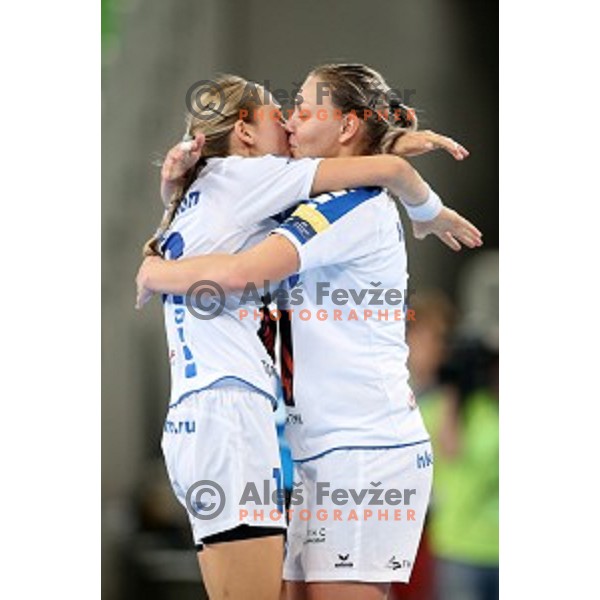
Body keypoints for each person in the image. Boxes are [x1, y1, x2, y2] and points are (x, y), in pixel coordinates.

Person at [137, 64, 482, 600]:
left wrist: (153, 272)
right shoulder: (296, 199)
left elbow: (238, 270)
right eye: (284, 109)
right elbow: (219, 211)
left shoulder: (353, 205)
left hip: (364, 448)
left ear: (344, 128)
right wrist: (172, 188)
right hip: (316, 450)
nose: (291, 119)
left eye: (301, 107)